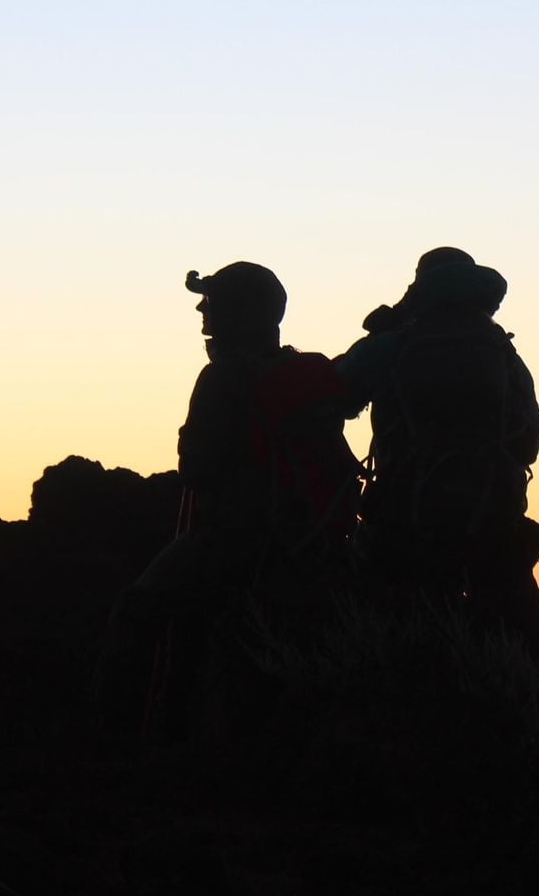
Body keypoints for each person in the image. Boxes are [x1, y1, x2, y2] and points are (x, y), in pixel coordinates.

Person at [99, 261, 359, 734]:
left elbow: (197, 466)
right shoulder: (307, 375)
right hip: (308, 538)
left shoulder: (222, 379)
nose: (202, 308)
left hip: (233, 537)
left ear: (239, 313)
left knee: (137, 611)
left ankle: (118, 739)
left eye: (212, 301)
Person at [336, 248, 539, 713]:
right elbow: (529, 437)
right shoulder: (500, 350)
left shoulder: (394, 344)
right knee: (529, 644)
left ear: (421, 287)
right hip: (492, 522)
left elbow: (334, 395)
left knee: (378, 643)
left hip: (401, 526)